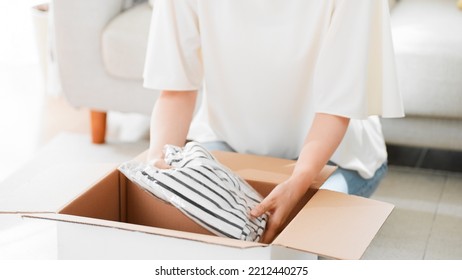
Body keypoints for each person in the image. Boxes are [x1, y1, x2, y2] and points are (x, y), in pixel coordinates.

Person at [143, 0, 404, 243]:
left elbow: (336, 108)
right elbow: (176, 91)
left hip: (337, 158)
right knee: (198, 227)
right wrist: (156, 167)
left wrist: (297, 183)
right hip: (228, 142)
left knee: (298, 238)